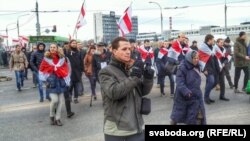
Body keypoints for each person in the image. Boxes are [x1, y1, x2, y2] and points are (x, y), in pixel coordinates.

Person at [99, 37, 154, 141]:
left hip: (136, 125)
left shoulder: (131, 68)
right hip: (116, 129)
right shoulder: (106, 71)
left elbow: (142, 92)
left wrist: (148, 78)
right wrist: (134, 77)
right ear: (114, 51)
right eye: (124, 49)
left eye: (129, 49)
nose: (128, 52)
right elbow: (114, 92)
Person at [170, 50, 206, 125]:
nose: (196, 60)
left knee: (198, 115)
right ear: (190, 58)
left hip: (196, 95)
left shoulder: (198, 66)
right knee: (178, 115)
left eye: (197, 58)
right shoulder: (182, 67)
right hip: (184, 95)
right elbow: (179, 82)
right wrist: (186, 91)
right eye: (194, 58)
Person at [39, 43, 71, 126]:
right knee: (55, 100)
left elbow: (65, 69)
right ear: (49, 49)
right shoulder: (46, 59)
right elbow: (42, 70)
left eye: (54, 47)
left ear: (57, 48)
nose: (52, 49)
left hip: (60, 81)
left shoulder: (61, 58)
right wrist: (45, 81)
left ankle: (58, 118)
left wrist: (66, 78)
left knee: (60, 101)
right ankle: (51, 115)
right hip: (51, 81)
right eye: (51, 47)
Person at [199, 34, 220, 104]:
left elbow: (215, 57)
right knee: (211, 81)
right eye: (213, 40)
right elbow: (200, 59)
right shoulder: (202, 47)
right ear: (209, 40)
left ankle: (207, 96)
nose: (214, 41)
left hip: (213, 67)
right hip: (207, 68)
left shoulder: (212, 47)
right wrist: (204, 69)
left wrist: (218, 67)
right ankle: (205, 98)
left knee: (214, 82)